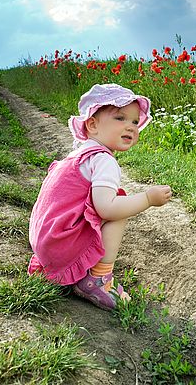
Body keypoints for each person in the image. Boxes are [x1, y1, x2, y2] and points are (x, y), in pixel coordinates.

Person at [27, 83, 172, 310]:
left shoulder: (79, 154)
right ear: (92, 125)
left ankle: (65, 266)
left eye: (135, 122)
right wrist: (147, 199)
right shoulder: (103, 160)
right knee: (119, 205)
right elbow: (106, 209)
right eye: (120, 118)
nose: (131, 127)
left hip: (44, 243)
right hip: (59, 245)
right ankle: (98, 279)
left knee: (107, 203)